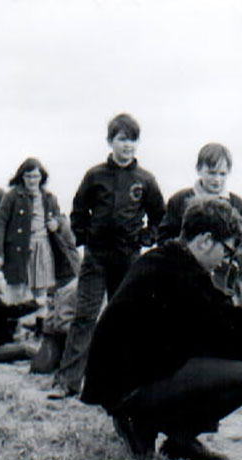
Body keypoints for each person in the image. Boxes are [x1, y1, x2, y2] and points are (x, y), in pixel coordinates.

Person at [80, 198, 242, 460]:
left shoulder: (172, 261)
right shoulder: (179, 275)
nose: (226, 260)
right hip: (128, 388)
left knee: (226, 370)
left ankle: (178, 439)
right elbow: (225, 339)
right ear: (206, 240)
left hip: (131, 378)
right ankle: (141, 425)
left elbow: (222, 315)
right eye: (228, 250)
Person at [50, 112, 165, 399]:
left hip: (128, 258)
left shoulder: (146, 180)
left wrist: (146, 238)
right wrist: (84, 237)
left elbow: (159, 217)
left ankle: (120, 383)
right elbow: (78, 210)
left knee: (122, 319)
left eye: (132, 140)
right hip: (96, 258)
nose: (127, 146)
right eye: (122, 139)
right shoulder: (95, 175)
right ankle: (67, 382)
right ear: (110, 141)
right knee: (84, 316)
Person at [158, 142, 242, 306]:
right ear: (199, 169)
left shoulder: (238, 204)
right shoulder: (180, 200)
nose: (217, 179)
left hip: (228, 279)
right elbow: (165, 237)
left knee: (237, 324)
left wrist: (238, 261)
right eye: (211, 173)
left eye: (222, 174)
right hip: (187, 276)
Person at [0, 159, 75, 305]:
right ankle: (16, 326)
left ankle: (38, 325)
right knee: (16, 291)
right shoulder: (11, 197)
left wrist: (56, 223)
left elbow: (59, 217)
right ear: (22, 177)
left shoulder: (49, 198)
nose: (32, 180)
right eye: (28, 176)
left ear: (41, 177)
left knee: (41, 294)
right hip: (18, 251)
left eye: (36, 176)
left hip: (43, 250)